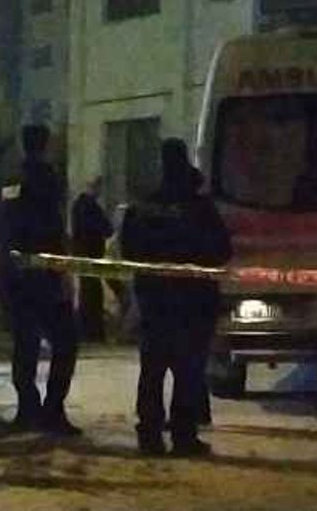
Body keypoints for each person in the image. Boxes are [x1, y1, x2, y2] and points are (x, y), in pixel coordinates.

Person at [120, 138, 231, 456]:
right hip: (193, 303)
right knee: (188, 372)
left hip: (154, 302)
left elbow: (128, 251)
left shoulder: (143, 207)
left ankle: (149, 435)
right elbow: (222, 249)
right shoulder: (199, 207)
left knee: (152, 370)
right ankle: (184, 436)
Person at [0, 124, 81, 435]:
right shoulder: (47, 177)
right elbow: (54, 227)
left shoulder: (11, 179)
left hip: (17, 276)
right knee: (66, 342)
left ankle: (28, 409)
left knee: (25, 344)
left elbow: (4, 225)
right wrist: (63, 271)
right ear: (46, 145)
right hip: (45, 275)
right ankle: (52, 410)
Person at [71, 176, 114, 342]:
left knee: (86, 292)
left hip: (82, 255)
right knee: (93, 294)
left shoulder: (77, 205)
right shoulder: (92, 207)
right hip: (92, 255)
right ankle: (94, 331)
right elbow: (107, 229)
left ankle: (85, 330)